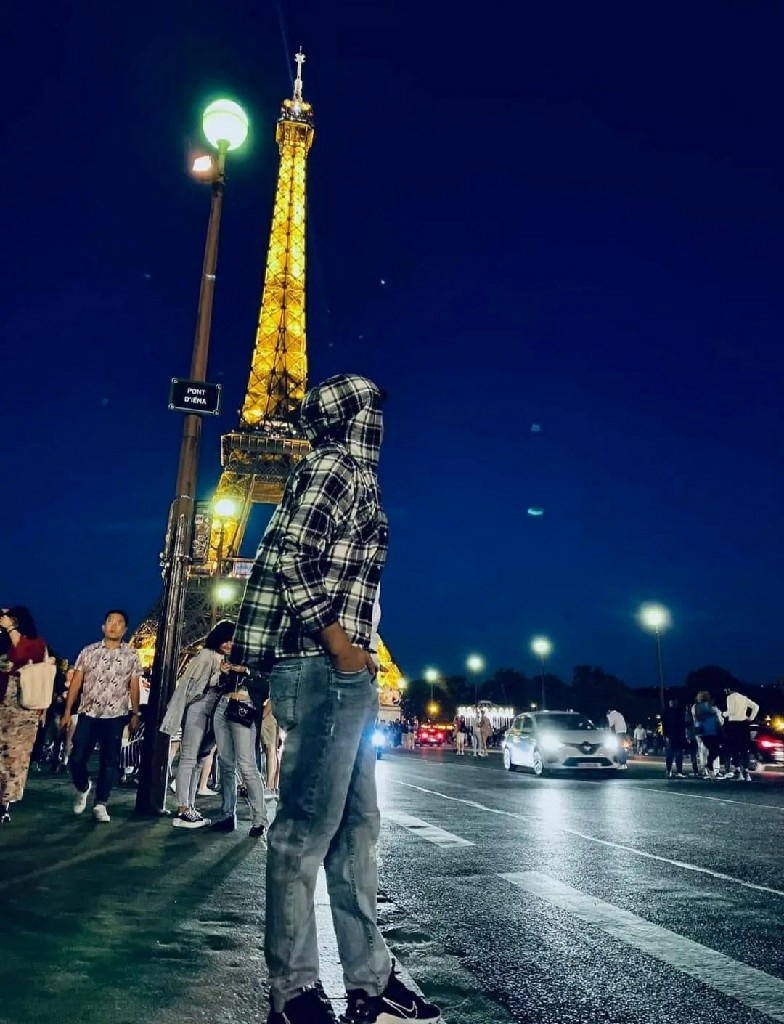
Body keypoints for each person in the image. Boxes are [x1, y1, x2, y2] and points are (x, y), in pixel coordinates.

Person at [231, 375, 440, 1024]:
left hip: (342, 672)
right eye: (373, 409)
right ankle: (293, 992)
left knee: (355, 834)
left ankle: (370, 980)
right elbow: (293, 557)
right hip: (324, 667)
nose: (382, 422)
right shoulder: (335, 466)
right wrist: (340, 644)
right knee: (303, 834)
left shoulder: (347, 472)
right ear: (354, 417)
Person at [61, 610, 141, 823]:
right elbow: (76, 682)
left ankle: (100, 803)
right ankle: (83, 786)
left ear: (125, 629)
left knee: (109, 762)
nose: (113, 625)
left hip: (115, 715)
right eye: (110, 621)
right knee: (77, 758)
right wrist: (67, 711)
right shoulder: (88, 651)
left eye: (119, 622)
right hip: (88, 713)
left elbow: (134, 685)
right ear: (103, 626)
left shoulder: (132, 655)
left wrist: (135, 712)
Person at [160, 619, 235, 828]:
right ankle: (183, 808)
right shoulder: (206, 655)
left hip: (214, 711)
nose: (229, 644)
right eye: (226, 639)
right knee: (189, 757)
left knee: (199, 759)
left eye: (233, 641)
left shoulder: (223, 658)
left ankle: (190, 806)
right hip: (199, 708)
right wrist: (221, 673)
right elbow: (196, 686)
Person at [0, 607, 49, 823]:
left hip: (22, 712)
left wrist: (11, 628)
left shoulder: (36, 644)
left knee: (14, 760)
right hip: (2, 707)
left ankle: (4, 804)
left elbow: (24, 653)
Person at [211, 657, 268, 838]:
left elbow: (267, 685)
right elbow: (218, 686)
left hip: (245, 708)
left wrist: (247, 671)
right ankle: (227, 814)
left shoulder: (261, 657)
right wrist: (223, 673)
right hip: (223, 706)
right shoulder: (232, 654)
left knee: (247, 766)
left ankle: (259, 820)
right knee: (225, 764)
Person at [722, 686, 759, 782]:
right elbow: (756, 707)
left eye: (725, 689)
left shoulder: (730, 697)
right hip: (744, 725)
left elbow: (732, 711)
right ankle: (746, 772)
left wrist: (724, 714)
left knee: (735, 749)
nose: (725, 691)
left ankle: (738, 772)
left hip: (734, 725)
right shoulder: (744, 698)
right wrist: (751, 718)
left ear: (729, 689)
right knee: (744, 749)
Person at [693, 691, 722, 779]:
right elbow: (698, 717)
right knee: (707, 750)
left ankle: (709, 766)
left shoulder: (711, 706)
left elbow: (717, 717)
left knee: (716, 750)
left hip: (713, 731)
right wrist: (709, 714)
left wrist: (718, 724)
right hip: (704, 731)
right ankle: (708, 768)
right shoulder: (697, 706)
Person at [662, 698, 687, 779]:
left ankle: (677, 771)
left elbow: (683, 724)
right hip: (672, 736)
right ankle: (670, 771)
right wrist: (664, 735)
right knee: (671, 755)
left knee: (677, 755)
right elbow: (663, 725)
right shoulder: (668, 713)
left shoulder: (679, 712)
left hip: (677, 736)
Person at [261, 699, 280, 792]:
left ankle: (270, 785)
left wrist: (263, 714)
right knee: (271, 750)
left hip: (268, 713)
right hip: (268, 711)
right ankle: (271, 785)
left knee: (271, 750)